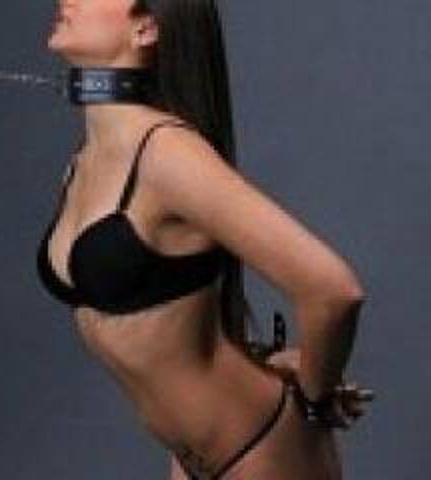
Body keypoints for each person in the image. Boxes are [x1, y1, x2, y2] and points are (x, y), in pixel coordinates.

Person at [38, 1, 371, 478]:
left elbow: (333, 291)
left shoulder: (167, 155)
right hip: (189, 460)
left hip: (261, 450)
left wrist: (316, 400)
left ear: (145, 29)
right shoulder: (85, 161)